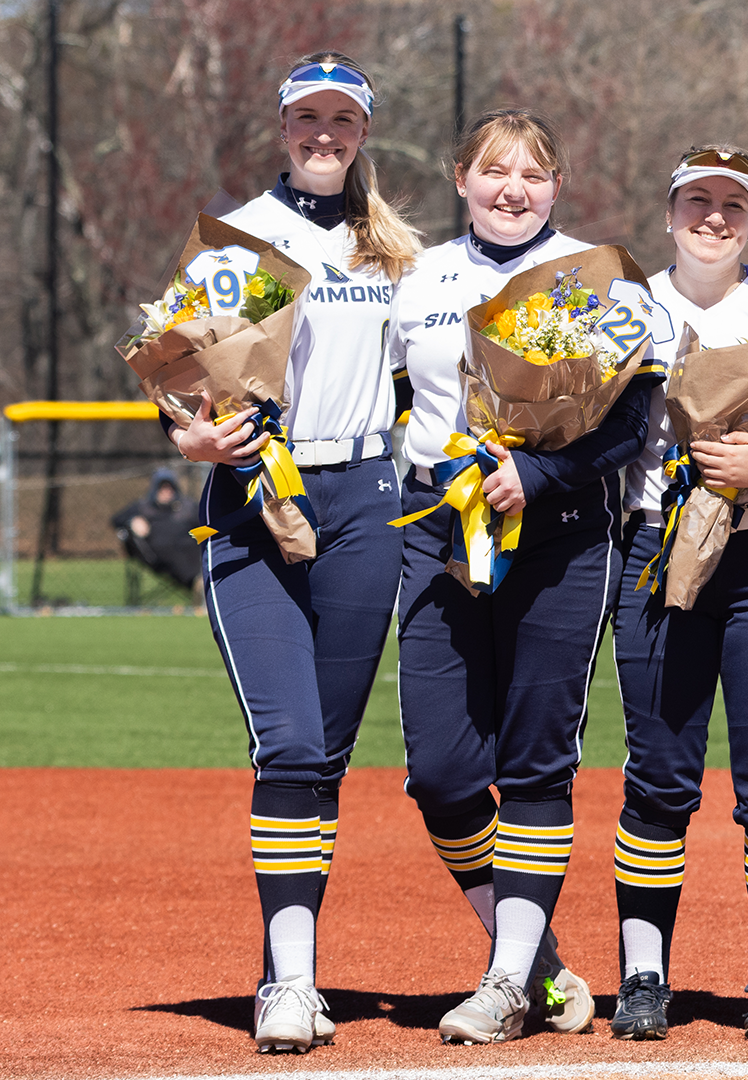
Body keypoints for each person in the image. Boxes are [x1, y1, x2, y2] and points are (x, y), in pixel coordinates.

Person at [388, 107, 656, 1045]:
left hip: (561, 537)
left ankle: (505, 980)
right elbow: (391, 395)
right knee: (441, 773)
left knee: (536, 761)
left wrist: (537, 473)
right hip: (437, 532)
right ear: (460, 177)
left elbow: (631, 423)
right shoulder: (416, 278)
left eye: (533, 175)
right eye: (495, 172)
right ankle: (542, 966)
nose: (514, 191)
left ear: (557, 184)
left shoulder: (598, 279)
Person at [167, 51, 417, 1054]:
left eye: (342, 119)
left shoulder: (394, 248)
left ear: (364, 133)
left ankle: (285, 972)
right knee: (293, 746)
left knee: (332, 756)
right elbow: (182, 373)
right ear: (283, 128)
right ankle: (292, 985)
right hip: (253, 495)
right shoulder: (236, 242)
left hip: (364, 500)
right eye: (307, 118)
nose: (325, 134)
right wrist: (185, 435)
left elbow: (426, 385)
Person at [607, 144, 748, 1042]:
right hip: (656, 555)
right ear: (669, 213)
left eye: (732, 204)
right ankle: (643, 977)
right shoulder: (627, 307)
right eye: (697, 201)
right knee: (659, 775)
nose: (714, 217)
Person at [113, 468, 201, 592]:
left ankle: (201, 584)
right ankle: (197, 583)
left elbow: (206, 521)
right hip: (160, 554)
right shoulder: (143, 507)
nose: (166, 492)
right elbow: (116, 519)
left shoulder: (187, 507)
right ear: (155, 490)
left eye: (169, 488)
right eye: (162, 488)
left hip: (191, 549)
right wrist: (132, 521)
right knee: (175, 553)